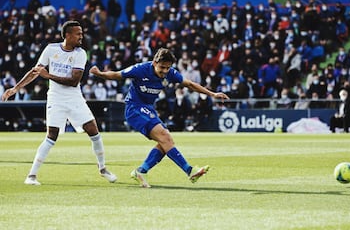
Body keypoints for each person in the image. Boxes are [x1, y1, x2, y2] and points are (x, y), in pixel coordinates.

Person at [90, 48, 229, 188]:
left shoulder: (171, 74)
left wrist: (213, 94)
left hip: (148, 109)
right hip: (134, 108)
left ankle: (141, 171)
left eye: (168, 68)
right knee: (165, 137)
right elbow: (117, 74)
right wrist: (100, 74)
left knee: (166, 142)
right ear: (154, 62)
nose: (165, 71)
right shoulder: (141, 69)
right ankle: (189, 171)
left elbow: (190, 84)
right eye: (162, 67)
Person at [1, 21, 117, 185]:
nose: (81, 37)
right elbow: (36, 71)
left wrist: (48, 76)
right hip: (55, 98)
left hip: (75, 98)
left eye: (82, 34)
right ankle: (31, 176)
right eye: (78, 34)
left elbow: (74, 81)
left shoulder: (80, 53)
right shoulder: (51, 49)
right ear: (67, 35)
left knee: (93, 130)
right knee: (51, 135)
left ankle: (103, 168)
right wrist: (15, 88)